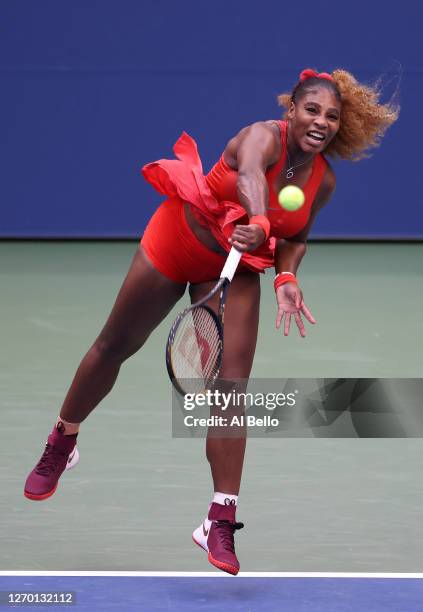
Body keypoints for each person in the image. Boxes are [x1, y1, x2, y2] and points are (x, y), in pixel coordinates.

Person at [24, 68, 398, 575]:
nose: (321, 122)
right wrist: (260, 217)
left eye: (332, 116)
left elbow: (296, 237)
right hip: (180, 242)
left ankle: (219, 519)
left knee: (230, 390)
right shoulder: (260, 137)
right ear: (291, 110)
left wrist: (286, 278)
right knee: (115, 345)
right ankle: (62, 442)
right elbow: (248, 177)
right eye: (312, 110)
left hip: (237, 269)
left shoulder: (323, 180)